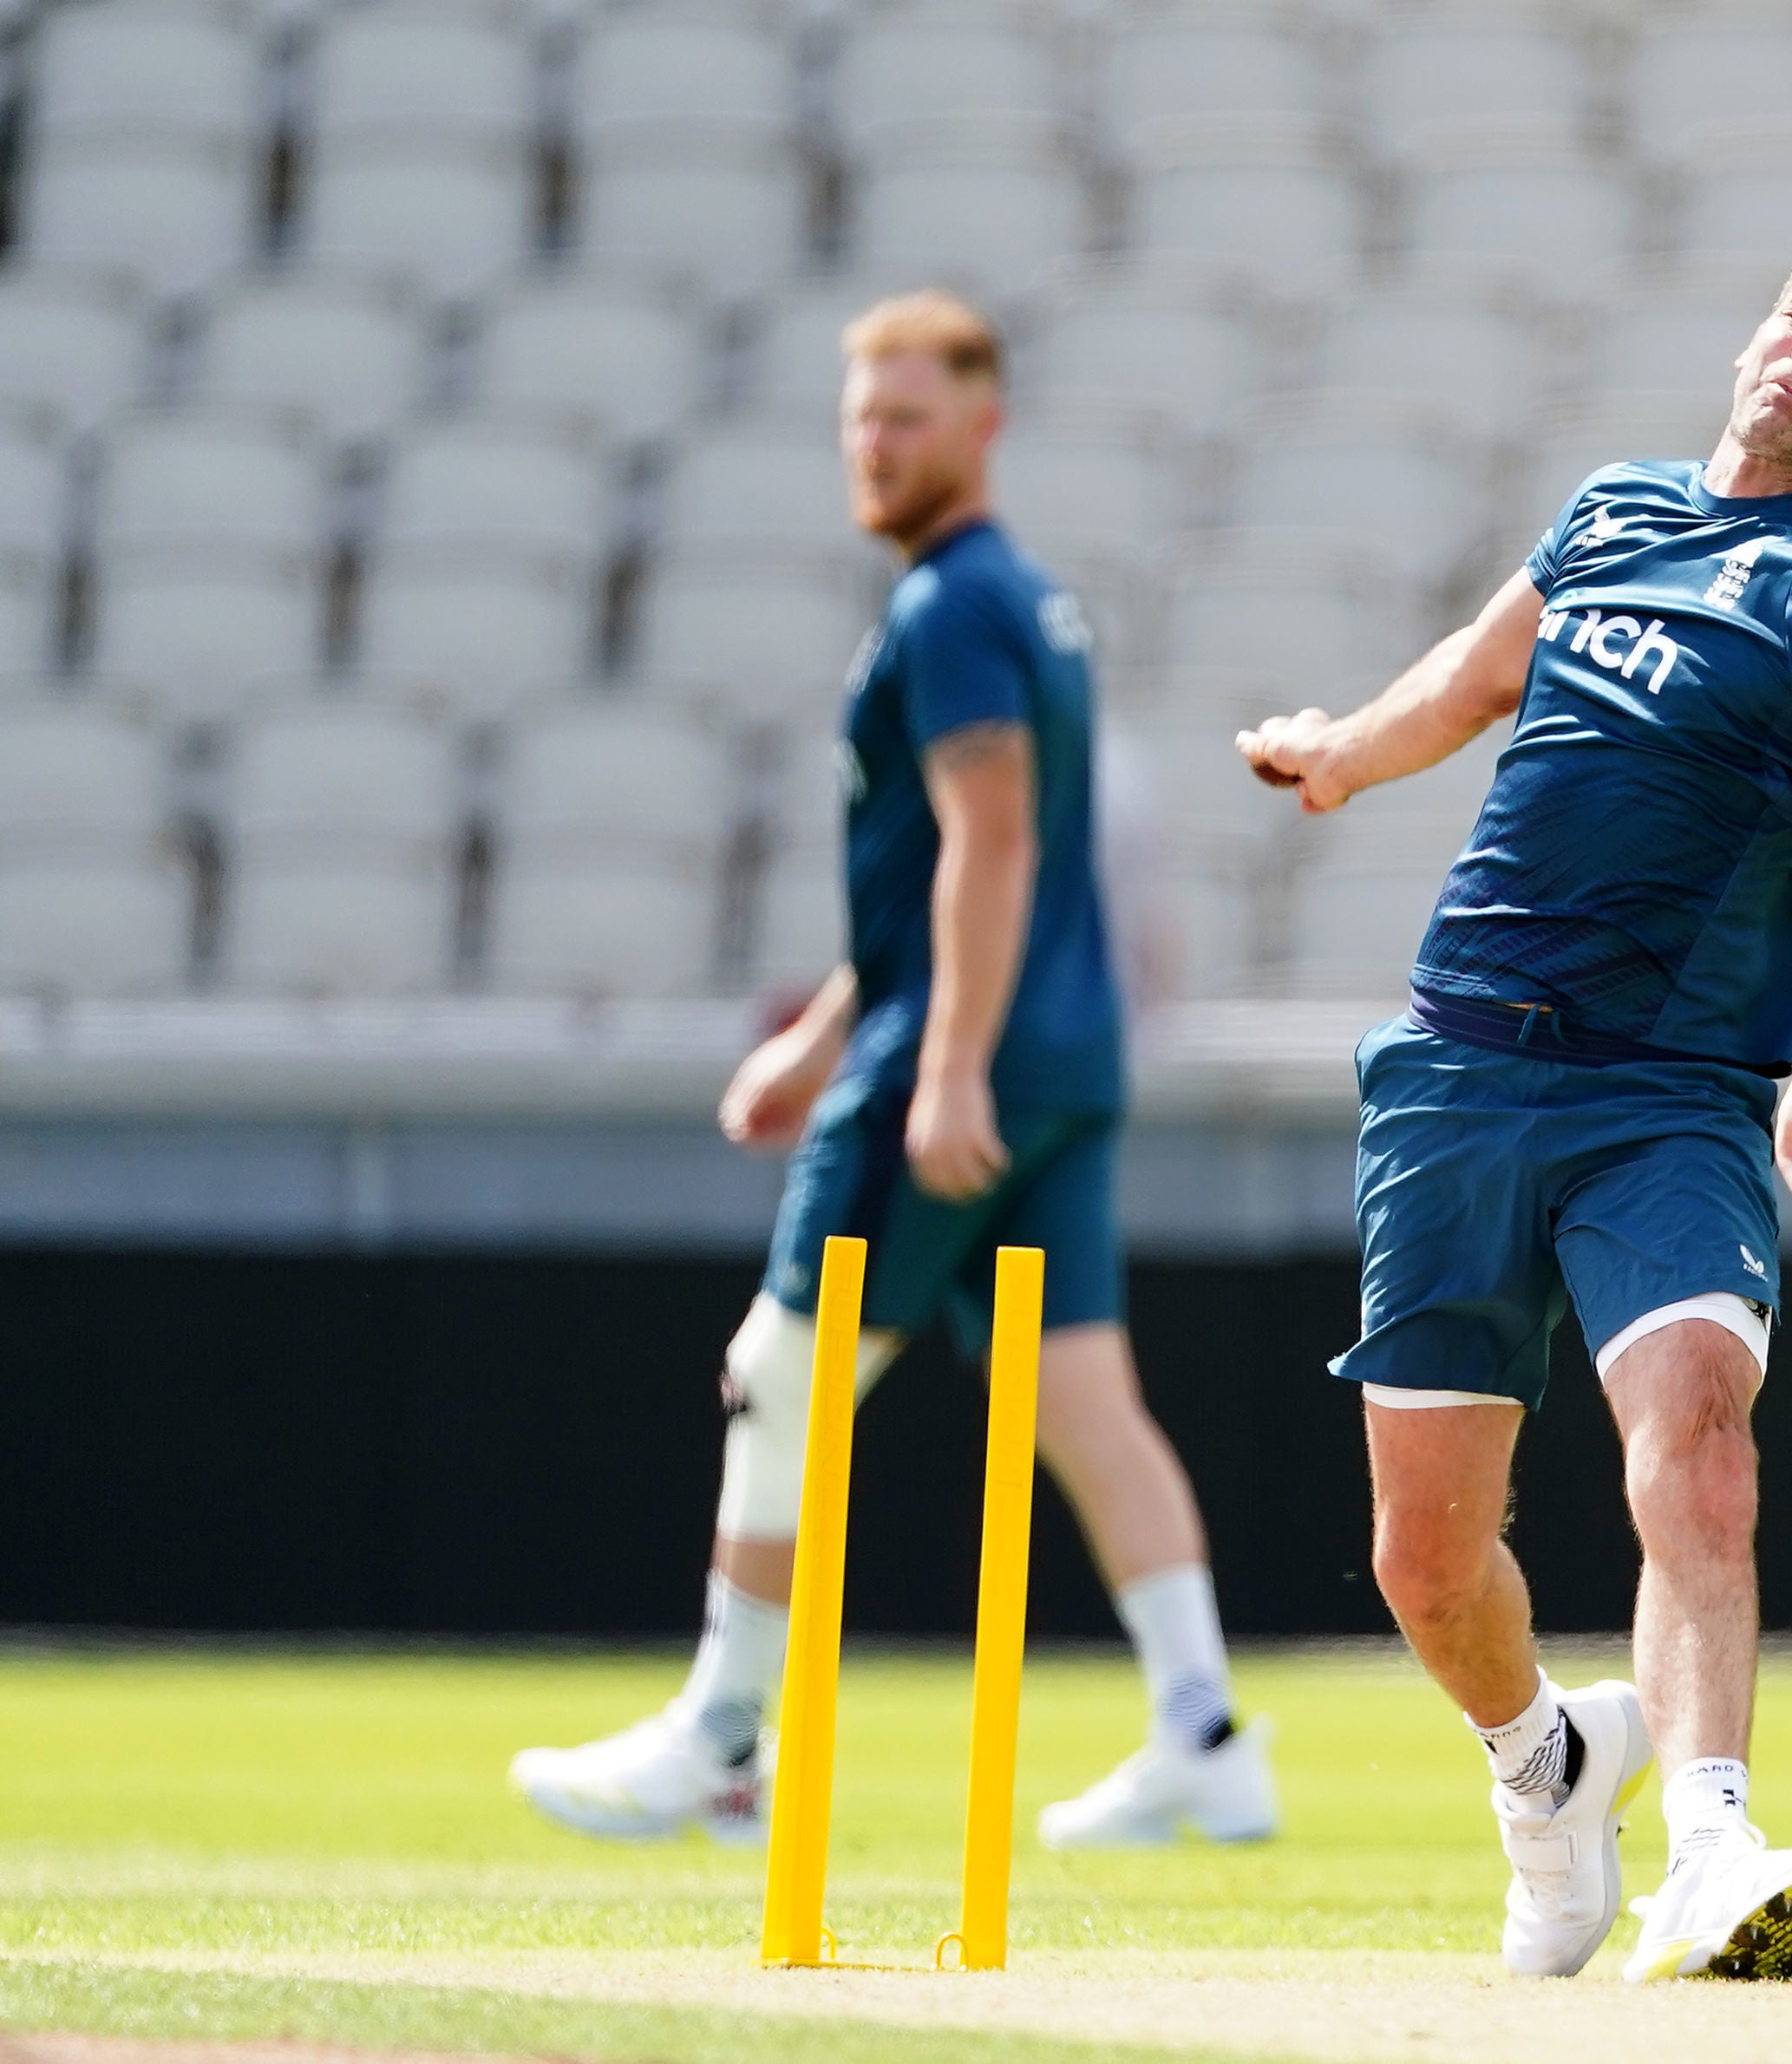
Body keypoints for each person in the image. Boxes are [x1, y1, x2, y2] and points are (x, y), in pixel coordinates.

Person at [1237, 220, 1792, 1982]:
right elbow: (1477, 678)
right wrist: (1341, 750)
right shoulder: (1613, 505)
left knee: (1696, 1441)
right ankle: (1548, 1763)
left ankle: (1707, 1843)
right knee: (1422, 1560)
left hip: (1670, 1093)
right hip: (1460, 1066)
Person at [513, 291, 1275, 1852]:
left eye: (911, 416)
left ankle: (724, 1743)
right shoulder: (1021, 604)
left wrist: (941, 1066)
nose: (879, 444)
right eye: (862, 417)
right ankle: (1205, 1732)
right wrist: (815, 1035)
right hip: (1063, 1063)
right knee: (1084, 1404)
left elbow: (991, 847)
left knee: (783, 1375)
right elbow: (953, 864)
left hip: (978, 1062)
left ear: (985, 425)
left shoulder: (953, 610)